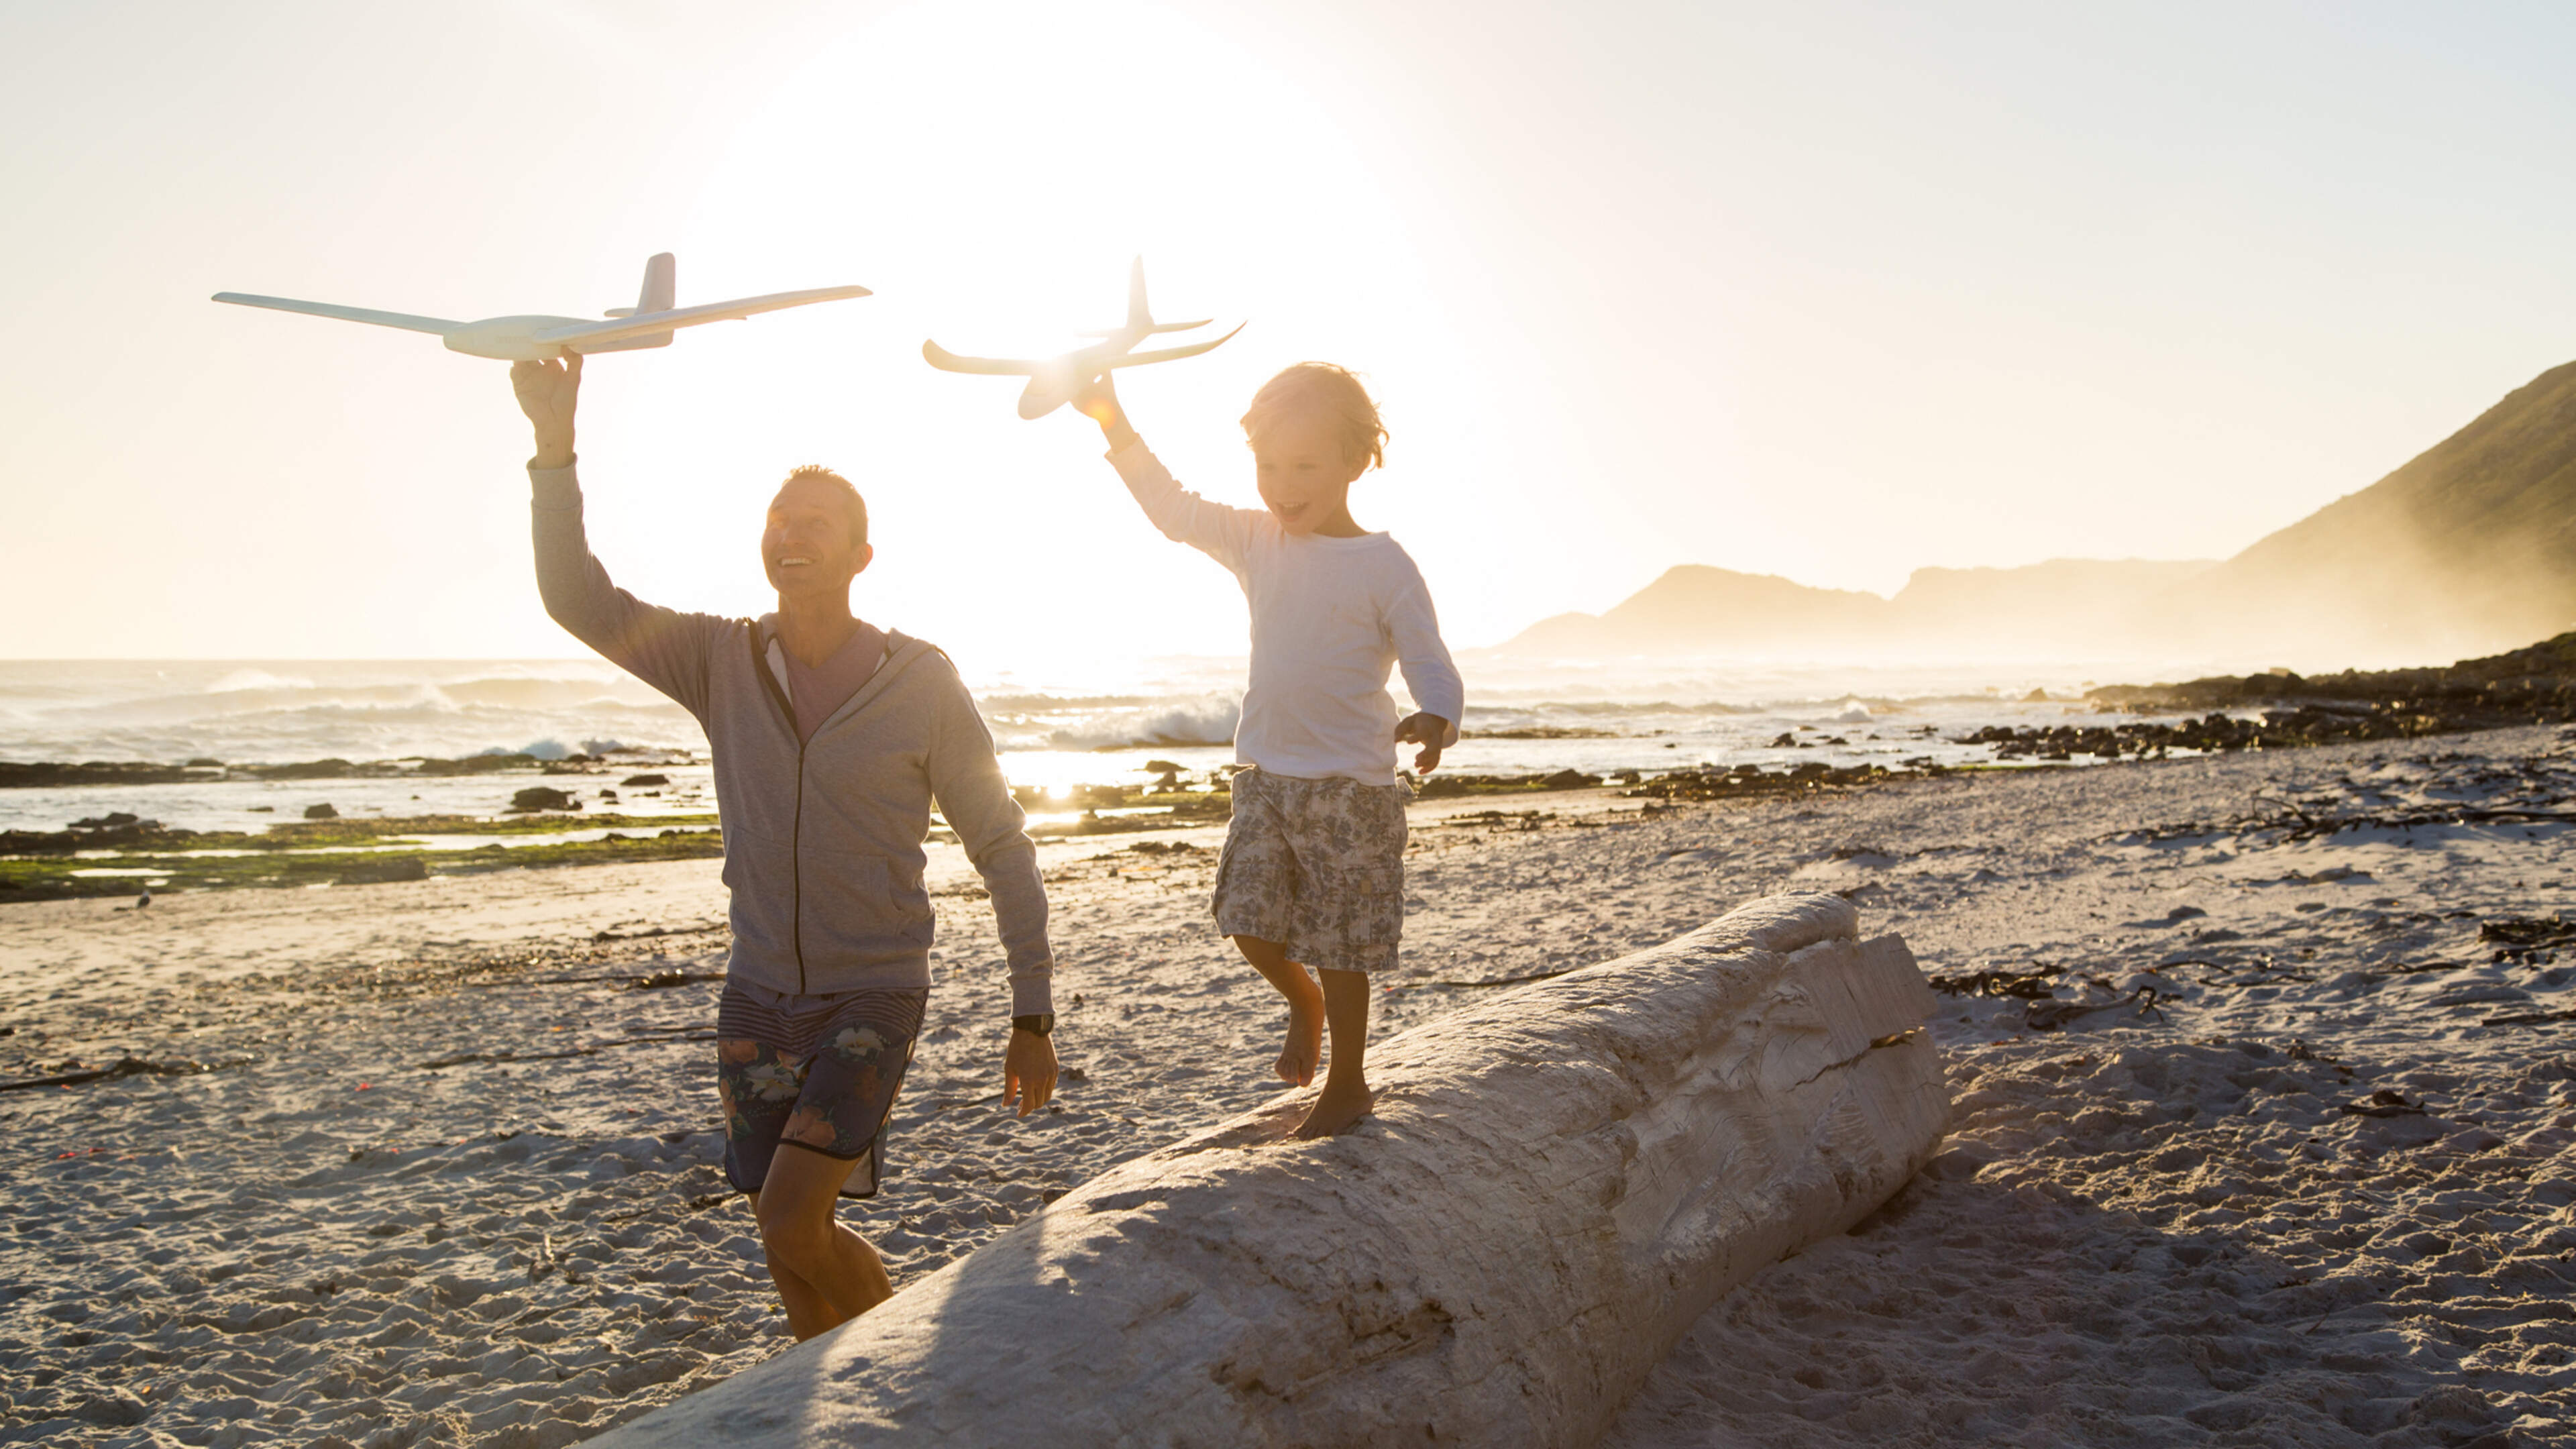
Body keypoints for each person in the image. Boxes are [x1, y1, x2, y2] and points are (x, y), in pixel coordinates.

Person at [511, 353, 1057, 1340]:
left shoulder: (921, 683)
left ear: (861, 556)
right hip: (757, 990)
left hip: (874, 992)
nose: (790, 536)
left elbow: (1002, 846)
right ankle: (843, 1395)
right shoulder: (719, 660)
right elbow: (576, 600)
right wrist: (554, 449)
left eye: (816, 525)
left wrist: (1034, 1014)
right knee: (787, 1241)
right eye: (779, 519)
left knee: (790, 1214)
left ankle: (897, 1375)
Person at [1069, 362, 1461, 1139]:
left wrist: (1436, 715)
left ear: (1356, 462)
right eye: (1267, 466)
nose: (1282, 485)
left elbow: (1428, 654)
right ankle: (1301, 1001)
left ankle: (1347, 1083)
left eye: (1304, 466)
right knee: (1247, 919)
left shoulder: (1385, 564)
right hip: (1265, 778)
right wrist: (1112, 420)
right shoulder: (1256, 538)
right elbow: (1172, 508)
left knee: (1344, 945)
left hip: (1350, 786)